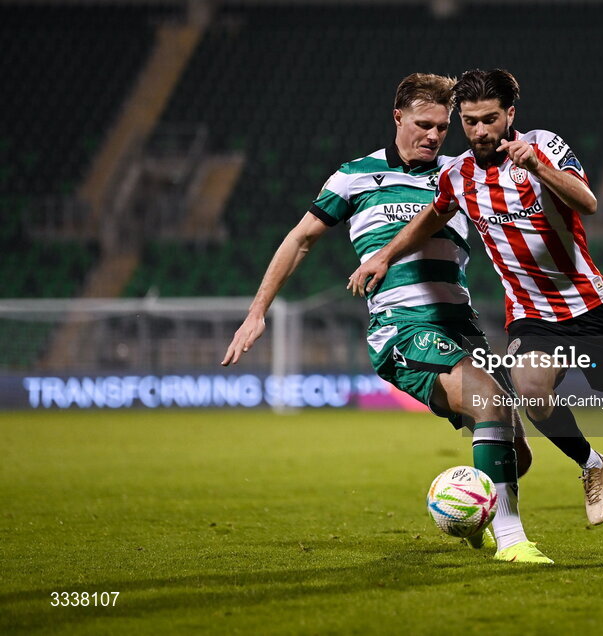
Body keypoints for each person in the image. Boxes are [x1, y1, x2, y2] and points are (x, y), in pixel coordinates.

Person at [349, 69, 603, 557]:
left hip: (591, 306)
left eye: (490, 120)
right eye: (470, 122)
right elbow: (432, 215)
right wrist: (385, 254)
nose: (480, 132)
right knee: (531, 392)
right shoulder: (458, 174)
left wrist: (539, 167)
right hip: (531, 314)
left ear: (510, 115)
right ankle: (591, 463)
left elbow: (589, 202)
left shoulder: (545, 146)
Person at [221, 73, 552, 564]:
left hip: (463, 326)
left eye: (443, 127)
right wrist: (257, 312)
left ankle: (467, 511)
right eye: (423, 124)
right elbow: (300, 239)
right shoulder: (355, 176)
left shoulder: (460, 173)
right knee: (489, 401)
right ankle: (510, 541)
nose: (434, 136)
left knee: (516, 453)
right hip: (403, 329)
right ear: (397, 117)